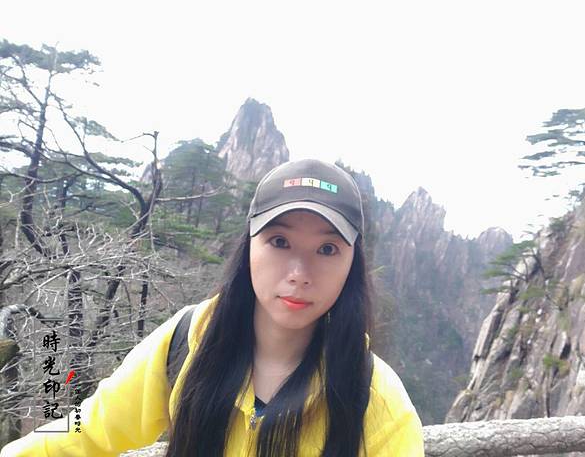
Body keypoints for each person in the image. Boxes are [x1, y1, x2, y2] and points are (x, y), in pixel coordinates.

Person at [1, 158, 424, 456]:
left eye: (327, 249)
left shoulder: (376, 399)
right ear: (249, 246)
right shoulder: (187, 341)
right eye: (279, 241)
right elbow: (86, 428)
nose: (299, 273)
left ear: (352, 265)